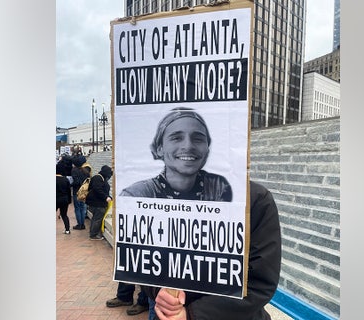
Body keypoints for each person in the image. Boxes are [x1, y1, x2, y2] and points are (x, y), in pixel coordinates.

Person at [144, 181, 281, 320]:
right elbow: (139, 261)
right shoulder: (153, 196)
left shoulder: (255, 198)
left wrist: (192, 315)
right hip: (169, 314)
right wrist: (158, 292)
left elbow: (259, 283)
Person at [120, 107, 232, 201]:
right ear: (160, 149)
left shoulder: (219, 187)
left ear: (207, 149)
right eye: (177, 138)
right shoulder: (136, 195)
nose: (188, 146)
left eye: (198, 139)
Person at [85, 165, 113, 240]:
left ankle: (93, 233)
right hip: (97, 203)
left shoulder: (100, 178)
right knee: (97, 218)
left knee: (96, 218)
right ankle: (93, 235)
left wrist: (109, 197)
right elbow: (97, 189)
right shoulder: (98, 178)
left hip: (97, 202)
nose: (110, 176)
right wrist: (106, 197)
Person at [71, 154, 91, 230]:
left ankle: (79, 224)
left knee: (77, 208)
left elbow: (76, 182)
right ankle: (82, 224)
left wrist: (70, 184)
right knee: (82, 208)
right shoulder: (86, 170)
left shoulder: (74, 170)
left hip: (77, 191)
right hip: (84, 191)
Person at [56, 161, 72, 234]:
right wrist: (69, 200)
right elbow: (69, 191)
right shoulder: (65, 180)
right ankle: (67, 229)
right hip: (64, 200)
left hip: (55, 199)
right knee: (64, 215)